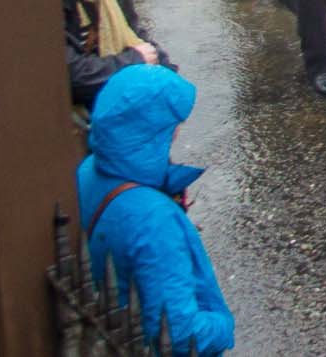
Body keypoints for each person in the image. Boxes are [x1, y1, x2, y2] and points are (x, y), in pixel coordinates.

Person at [75, 66, 235, 356]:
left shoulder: (88, 170)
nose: (176, 131)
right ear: (152, 130)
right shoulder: (153, 220)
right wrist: (222, 326)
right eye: (171, 123)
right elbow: (180, 336)